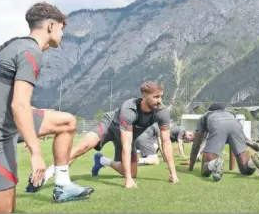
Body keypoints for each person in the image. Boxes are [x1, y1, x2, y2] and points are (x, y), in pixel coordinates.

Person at [0, 2, 94, 212]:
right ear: (51, 26)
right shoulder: (30, 51)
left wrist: (34, 122)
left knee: (66, 122)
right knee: (2, 209)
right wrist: (36, 151)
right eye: (62, 28)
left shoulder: (16, 45)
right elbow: (19, 104)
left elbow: (7, 96)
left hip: (6, 122)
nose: (63, 35)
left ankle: (62, 186)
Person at [26, 81, 179, 191]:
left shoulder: (162, 112)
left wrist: (173, 174)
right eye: (156, 97)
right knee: (81, 148)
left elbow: (166, 143)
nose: (159, 101)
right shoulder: (129, 108)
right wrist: (128, 181)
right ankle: (44, 176)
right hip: (109, 125)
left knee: (132, 172)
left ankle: (102, 160)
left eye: (161, 96)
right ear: (144, 96)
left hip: (128, 135)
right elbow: (126, 145)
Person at [187, 104, 259, 181]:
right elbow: (246, 141)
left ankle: (213, 164)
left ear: (210, 110)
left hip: (217, 125)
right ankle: (252, 162)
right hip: (235, 125)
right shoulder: (230, 114)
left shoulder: (205, 116)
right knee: (246, 170)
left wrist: (191, 167)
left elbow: (196, 144)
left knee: (205, 171)